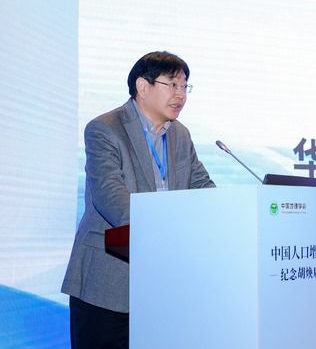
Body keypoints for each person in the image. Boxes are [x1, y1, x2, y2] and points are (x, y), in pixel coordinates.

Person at [62, 51, 215, 349]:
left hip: (163, 284)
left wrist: (232, 212)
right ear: (143, 87)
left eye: (185, 86)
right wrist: (169, 229)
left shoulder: (180, 135)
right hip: (107, 281)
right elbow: (111, 197)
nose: (180, 95)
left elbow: (201, 185)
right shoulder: (105, 128)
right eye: (172, 84)